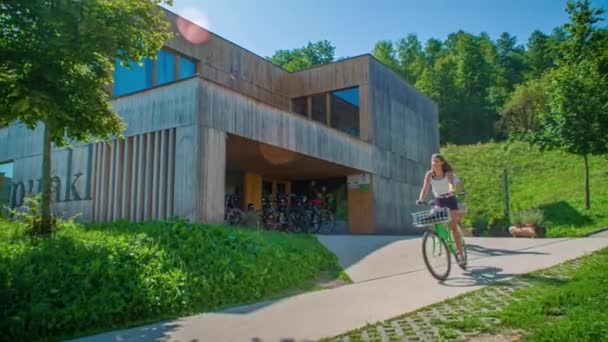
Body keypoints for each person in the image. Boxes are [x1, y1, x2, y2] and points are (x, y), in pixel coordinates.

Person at [416, 153, 466, 266]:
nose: (434, 163)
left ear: (442, 162)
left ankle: (461, 255)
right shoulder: (429, 174)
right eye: (433, 160)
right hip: (439, 201)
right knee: (432, 218)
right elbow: (425, 188)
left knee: (453, 226)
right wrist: (420, 199)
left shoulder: (448, 174)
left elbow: (451, 184)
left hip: (450, 200)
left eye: (437, 161)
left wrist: (452, 190)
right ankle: (442, 240)